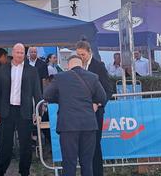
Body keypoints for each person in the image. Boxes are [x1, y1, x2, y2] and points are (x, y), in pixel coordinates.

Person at [43, 55, 107, 176]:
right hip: (88, 125)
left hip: (68, 126)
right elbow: (102, 97)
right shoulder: (93, 77)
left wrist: (61, 99)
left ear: (68, 65)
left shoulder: (60, 77)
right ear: (82, 64)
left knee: (69, 163)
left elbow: (47, 95)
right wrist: (94, 103)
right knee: (87, 163)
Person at [0, 43, 41, 176]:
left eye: (22, 53)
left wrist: (38, 112)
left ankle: (24, 172)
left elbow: (37, 92)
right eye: (17, 52)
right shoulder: (3, 69)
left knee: (25, 145)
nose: (20, 55)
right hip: (6, 111)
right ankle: (0, 171)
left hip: (24, 111)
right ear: (12, 53)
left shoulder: (32, 71)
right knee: (4, 144)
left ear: (24, 54)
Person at [75, 40, 113, 176]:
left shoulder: (99, 66)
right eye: (78, 55)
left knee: (95, 145)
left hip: (95, 114)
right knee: (82, 146)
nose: (81, 58)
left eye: (83, 55)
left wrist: (98, 104)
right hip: (80, 114)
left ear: (89, 52)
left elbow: (108, 90)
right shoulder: (76, 67)